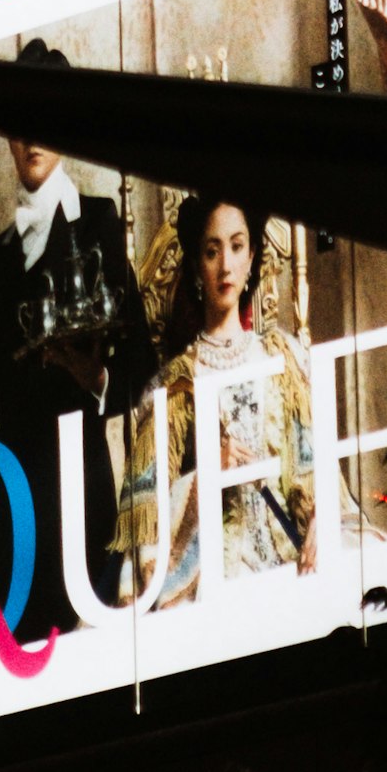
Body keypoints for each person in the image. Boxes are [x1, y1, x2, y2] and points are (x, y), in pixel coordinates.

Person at [0, 52, 157, 634]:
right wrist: (11, 484)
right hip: (16, 522)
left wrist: (96, 381)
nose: (31, 138)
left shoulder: (99, 224)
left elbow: (141, 367)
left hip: (87, 493)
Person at [121, 191, 326, 602]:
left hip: (290, 561)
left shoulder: (282, 358)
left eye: (236, 247)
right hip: (211, 577)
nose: (226, 265)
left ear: (252, 258)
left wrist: (321, 521)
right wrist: (204, 478)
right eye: (212, 251)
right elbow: (142, 520)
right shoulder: (172, 386)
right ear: (198, 266)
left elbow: (313, 468)